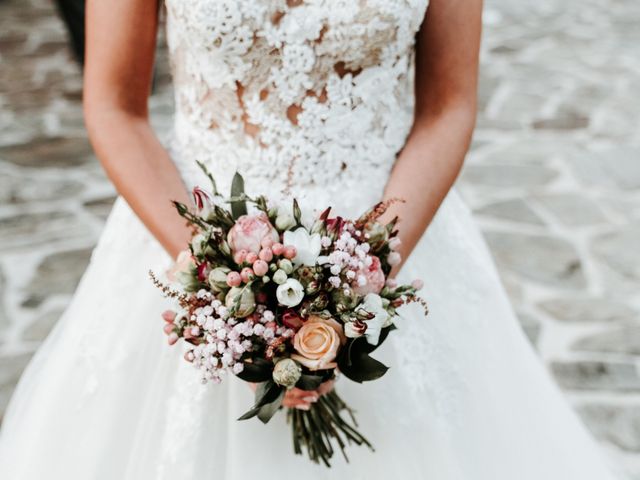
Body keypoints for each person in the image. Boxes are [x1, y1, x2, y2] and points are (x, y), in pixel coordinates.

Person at [0, 0, 623, 478]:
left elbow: (448, 106)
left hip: (392, 238)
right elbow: (115, 106)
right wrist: (217, 280)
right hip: (194, 241)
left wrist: (364, 274)